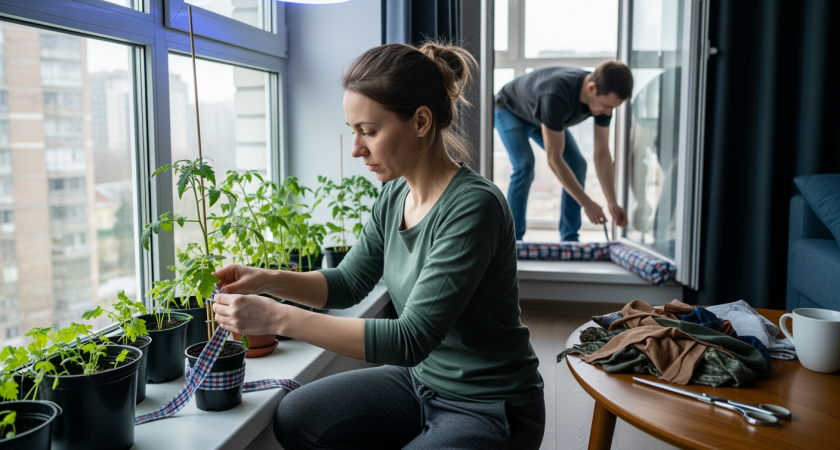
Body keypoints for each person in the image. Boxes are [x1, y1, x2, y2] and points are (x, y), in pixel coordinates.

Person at [211, 42, 545, 450]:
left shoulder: (474, 207)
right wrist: (267, 280)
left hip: (490, 403)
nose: (356, 149)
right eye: (353, 132)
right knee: (298, 417)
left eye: (368, 131)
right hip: (420, 382)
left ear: (421, 121)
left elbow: (409, 340)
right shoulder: (394, 195)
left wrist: (278, 319)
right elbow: (348, 282)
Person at [494, 61, 633, 241]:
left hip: (541, 117)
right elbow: (555, 160)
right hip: (509, 109)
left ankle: (569, 239)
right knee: (524, 165)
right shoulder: (556, 94)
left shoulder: (603, 103)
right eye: (607, 106)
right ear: (592, 88)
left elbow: (602, 153)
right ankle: (512, 241)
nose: (608, 112)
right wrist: (587, 203)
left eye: (613, 108)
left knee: (578, 164)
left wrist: (612, 203)